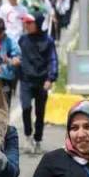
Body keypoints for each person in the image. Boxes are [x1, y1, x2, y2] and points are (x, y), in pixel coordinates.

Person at [17, 12, 57, 155]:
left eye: (30, 23)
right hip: (26, 81)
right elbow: (16, 54)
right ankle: (28, 137)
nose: (26, 25)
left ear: (38, 24)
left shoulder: (48, 41)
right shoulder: (22, 40)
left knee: (40, 113)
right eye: (25, 23)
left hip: (42, 82)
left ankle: (38, 139)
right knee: (26, 108)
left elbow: (52, 60)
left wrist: (50, 78)